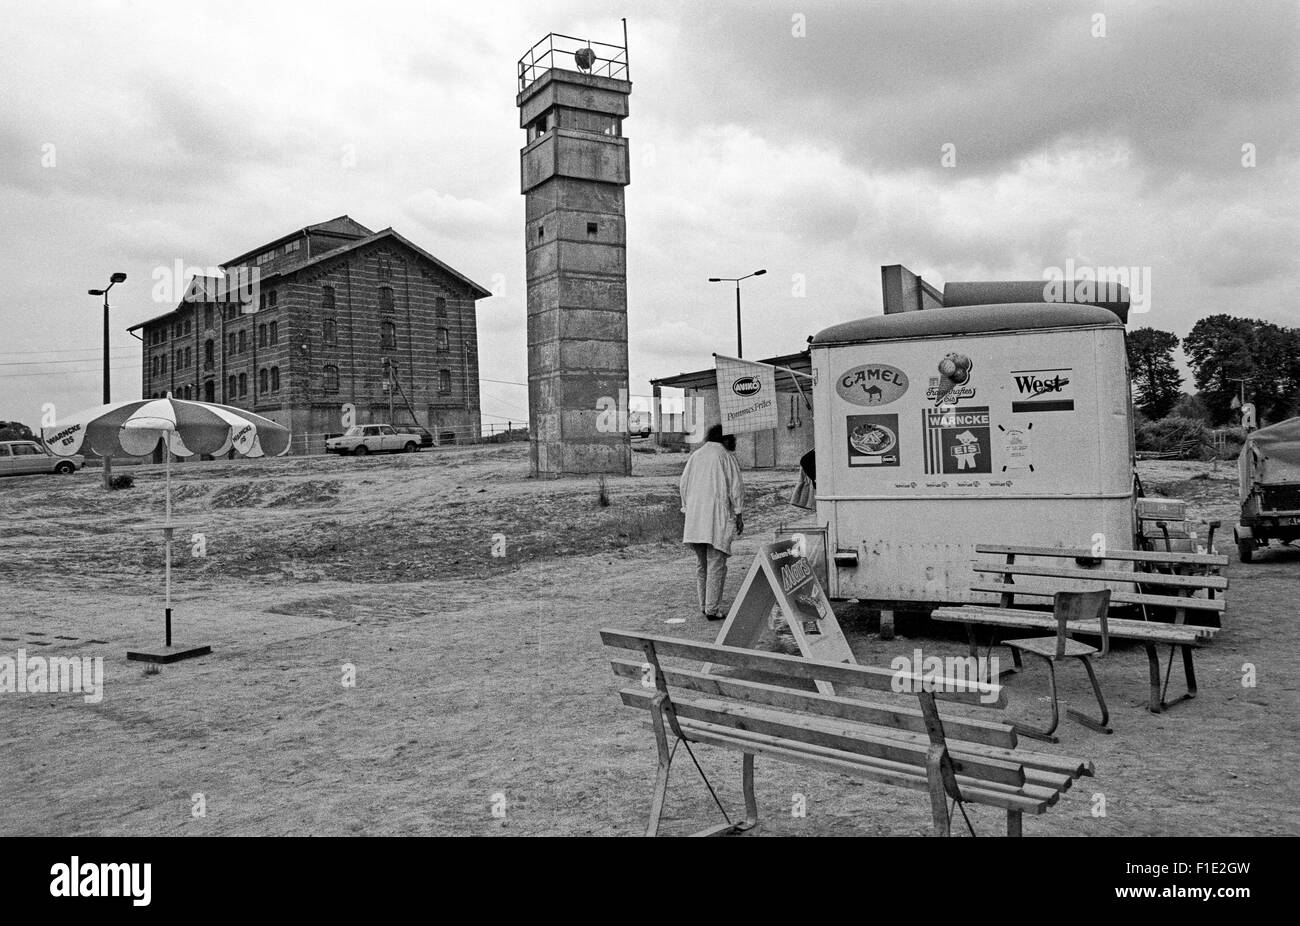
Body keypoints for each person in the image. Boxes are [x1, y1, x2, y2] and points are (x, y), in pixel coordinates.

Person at [679, 424, 745, 620]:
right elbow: (736, 488)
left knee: (702, 564)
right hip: (716, 517)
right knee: (716, 564)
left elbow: (683, 484)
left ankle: (704, 605)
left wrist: (687, 507)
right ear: (724, 439)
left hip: (695, 518)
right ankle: (712, 609)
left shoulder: (696, 456)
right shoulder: (725, 456)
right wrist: (739, 513)